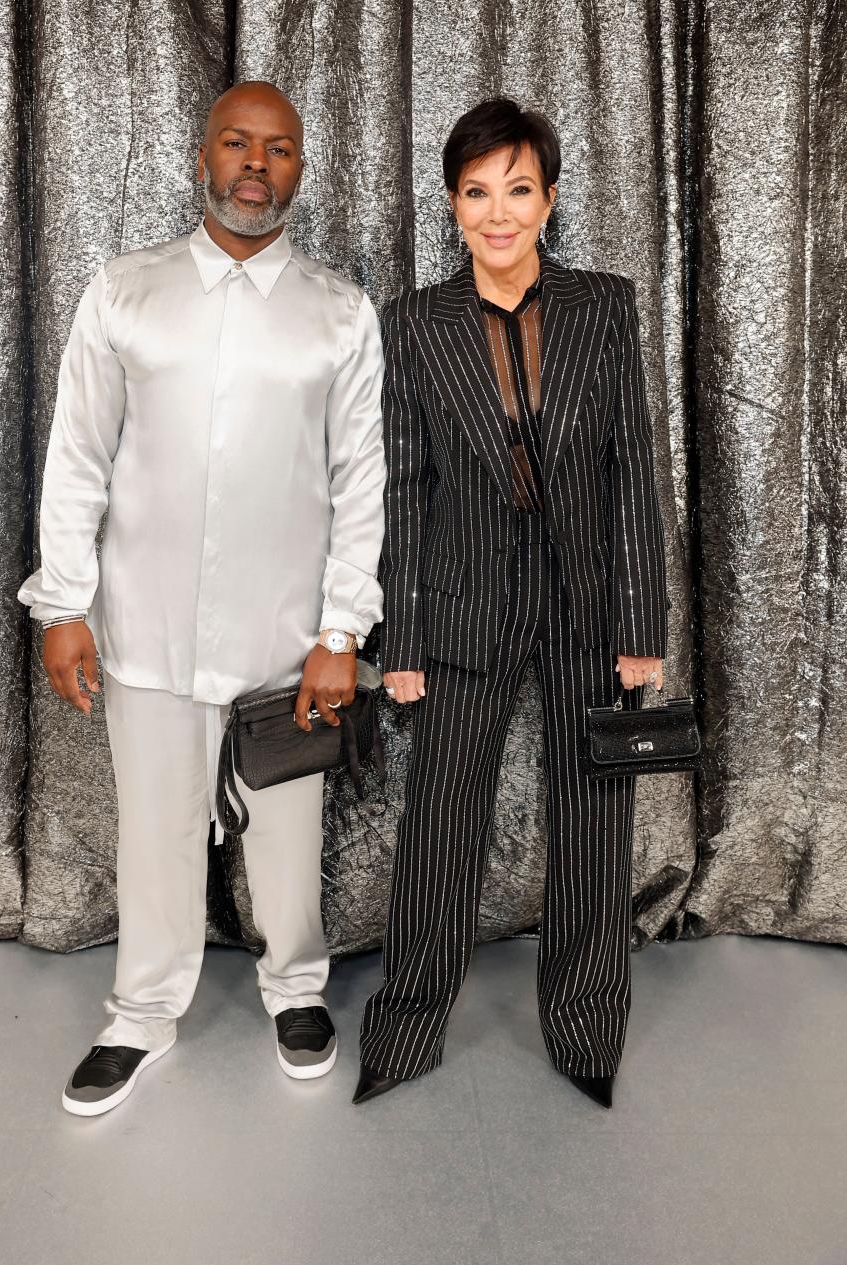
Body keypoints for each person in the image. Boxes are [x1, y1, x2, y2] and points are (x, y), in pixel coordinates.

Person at [18, 81, 386, 1116]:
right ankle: (139, 1012)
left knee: (286, 825)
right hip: (145, 621)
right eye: (238, 142)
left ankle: (296, 986)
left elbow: (362, 478)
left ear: (300, 172)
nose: (256, 163)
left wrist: (339, 631)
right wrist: (65, 606)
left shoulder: (338, 311)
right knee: (159, 827)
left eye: (277, 149)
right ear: (203, 156)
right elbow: (78, 457)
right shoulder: (124, 292)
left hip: (286, 639)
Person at [355, 97, 671, 1109]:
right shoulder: (413, 324)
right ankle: (405, 1029)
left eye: (518, 190)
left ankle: (586, 1030)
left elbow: (634, 467)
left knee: (592, 819)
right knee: (441, 821)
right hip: (460, 600)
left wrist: (640, 624)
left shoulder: (604, 306)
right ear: (453, 206)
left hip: (586, 601)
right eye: (477, 193)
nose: (499, 213)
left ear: (551, 198)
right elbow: (403, 482)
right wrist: (400, 629)